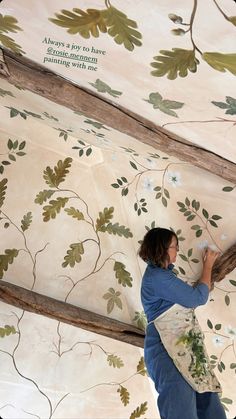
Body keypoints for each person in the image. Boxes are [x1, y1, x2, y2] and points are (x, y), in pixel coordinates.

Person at [139, 227, 226, 419]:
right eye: (174, 247)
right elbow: (197, 297)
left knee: (206, 397)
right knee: (180, 402)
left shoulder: (164, 275)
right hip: (166, 345)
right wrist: (208, 265)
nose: (177, 251)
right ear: (161, 248)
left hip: (184, 345)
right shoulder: (156, 278)